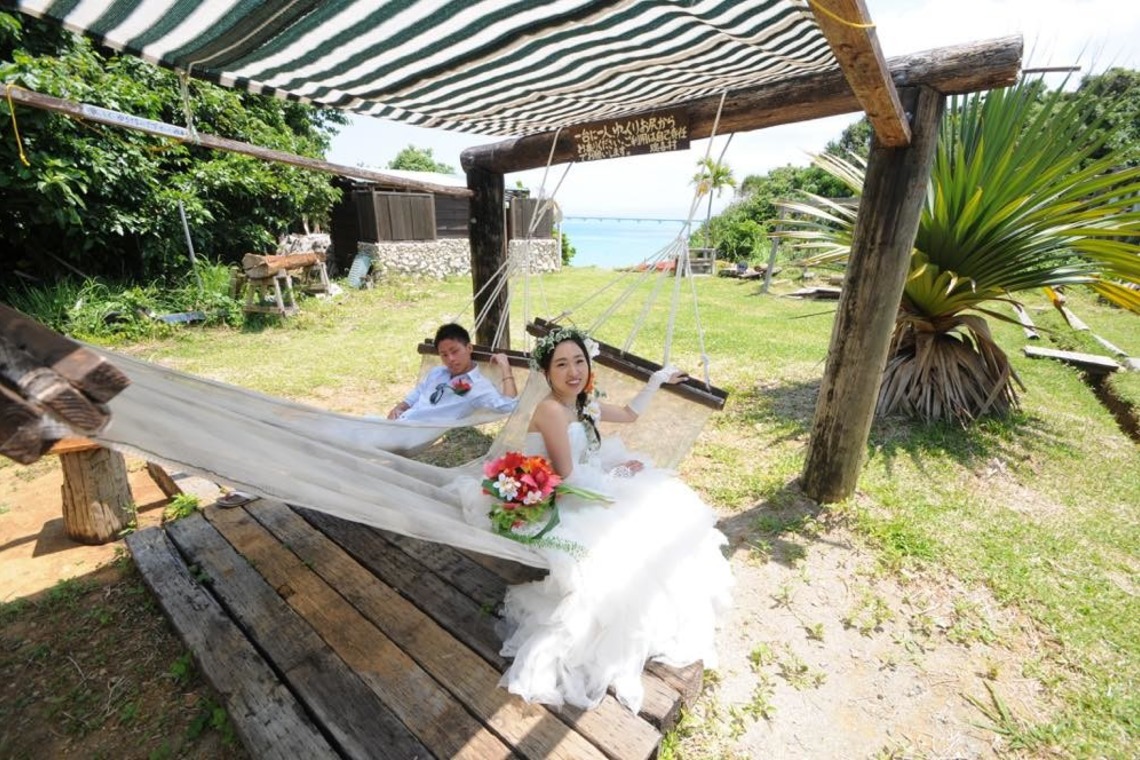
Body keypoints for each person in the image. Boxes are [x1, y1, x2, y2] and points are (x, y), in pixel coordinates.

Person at [454, 326, 733, 713]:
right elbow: (568, 476)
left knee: (661, 506)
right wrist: (619, 474)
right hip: (562, 495)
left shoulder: (583, 403)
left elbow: (630, 415)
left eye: (579, 361)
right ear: (547, 373)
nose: (573, 372)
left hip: (585, 482)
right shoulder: (551, 410)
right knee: (626, 539)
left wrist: (656, 379)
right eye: (561, 364)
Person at [387, 323, 519, 421]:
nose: (450, 359)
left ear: (469, 348)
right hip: (400, 422)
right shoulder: (437, 373)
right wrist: (400, 408)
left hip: (419, 431)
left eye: (455, 351)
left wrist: (506, 368)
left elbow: (509, 406)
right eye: (444, 355)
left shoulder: (478, 387)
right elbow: (418, 392)